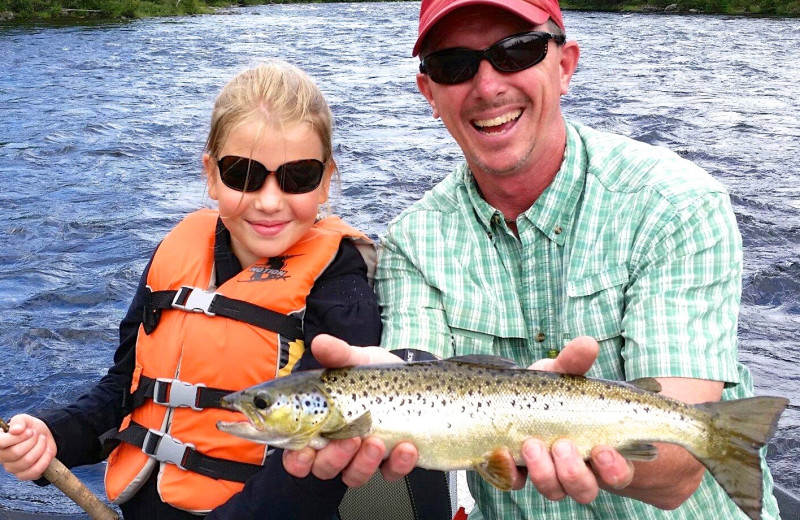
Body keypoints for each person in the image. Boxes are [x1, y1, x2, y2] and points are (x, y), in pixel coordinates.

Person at [280, 1, 783, 519]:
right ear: (429, 93)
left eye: (516, 52)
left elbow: (678, 474)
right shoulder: (413, 239)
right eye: (453, 64)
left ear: (564, 66)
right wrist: (388, 389)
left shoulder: (675, 205)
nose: (487, 86)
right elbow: (418, 370)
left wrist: (595, 450)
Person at [0, 60, 451, 520]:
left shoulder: (340, 284)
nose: (270, 200)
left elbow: (314, 467)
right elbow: (124, 389)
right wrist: (53, 436)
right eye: (244, 174)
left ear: (326, 181)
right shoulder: (174, 252)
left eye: (298, 177)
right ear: (212, 175)